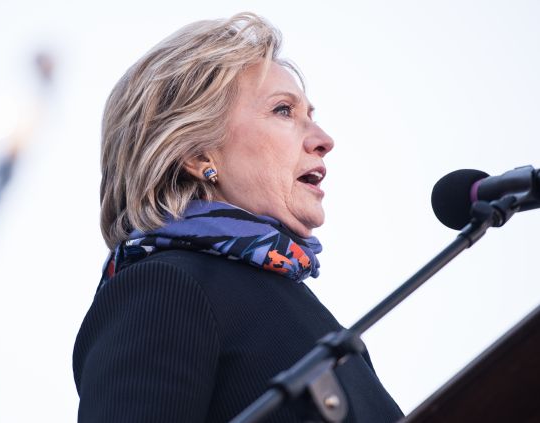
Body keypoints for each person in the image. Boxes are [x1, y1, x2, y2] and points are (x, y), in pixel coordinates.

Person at [73, 12, 403, 423]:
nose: (323, 140)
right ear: (197, 154)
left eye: (311, 115)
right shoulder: (167, 286)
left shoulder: (303, 307)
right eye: (284, 110)